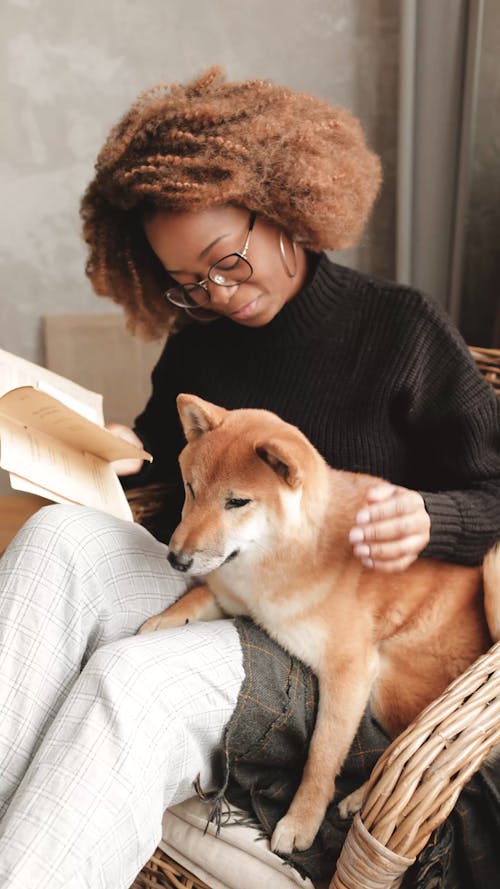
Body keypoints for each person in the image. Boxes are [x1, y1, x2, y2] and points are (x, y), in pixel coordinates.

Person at [0, 67, 499, 889]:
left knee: (134, 682)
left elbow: (493, 493)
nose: (218, 292)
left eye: (226, 260)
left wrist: (430, 518)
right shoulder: (201, 338)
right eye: (187, 281)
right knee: (55, 538)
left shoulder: (402, 328)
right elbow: (170, 454)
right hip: (227, 581)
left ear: (286, 209)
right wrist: (119, 448)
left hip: (330, 635)